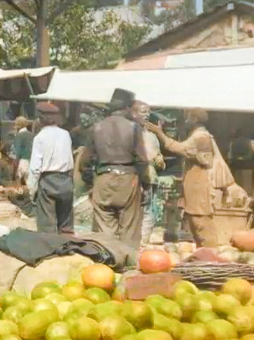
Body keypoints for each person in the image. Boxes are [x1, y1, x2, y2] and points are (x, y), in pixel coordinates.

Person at [146, 108, 222, 247]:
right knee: (194, 220)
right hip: (195, 183)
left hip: (200, 184)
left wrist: (160, 133)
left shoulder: (200, 137)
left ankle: (210, 253)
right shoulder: (197, 135)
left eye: (187, 117)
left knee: (200, 220)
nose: (185, 121)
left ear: (194, 118)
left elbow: (177, 148)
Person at [82, 88, 149, 246]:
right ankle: (129, 263)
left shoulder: (96, 128)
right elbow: (142, 160)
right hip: (128, 179)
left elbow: (85, 162)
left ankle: (109, 261)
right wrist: (144, 184)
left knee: (105, 229)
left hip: (103, 178)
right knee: (129, 229)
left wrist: (91, 184)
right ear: (127, 108)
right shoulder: (134, 128)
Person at [27, 103, 74, 234]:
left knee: (47, 224)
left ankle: (51, 248)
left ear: (40, 119)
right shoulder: (66, 134)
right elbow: (70, 159)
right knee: (66, 224)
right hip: (66, 179)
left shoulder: (40, 137)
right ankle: (69, 248)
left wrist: (32, 190)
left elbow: (35, 168)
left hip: (48, 180)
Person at [133, 101, 166, 243]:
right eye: (142, 111)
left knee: (148, 210)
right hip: (132, 176)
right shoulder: (128, 133)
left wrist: (159, 161)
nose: (146, 114)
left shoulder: (151, 136)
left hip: (149, 177)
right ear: (133, 113)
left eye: (148, 112)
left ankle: (143, 242)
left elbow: (157, 156)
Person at [11, 117, 34, 184]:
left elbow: (17, 150)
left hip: (22, 160)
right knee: (28, 180)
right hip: (31, 159)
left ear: (19, 125)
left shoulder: (19, 135)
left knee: (18, 177)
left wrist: (15, 161)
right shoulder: (31, 134)